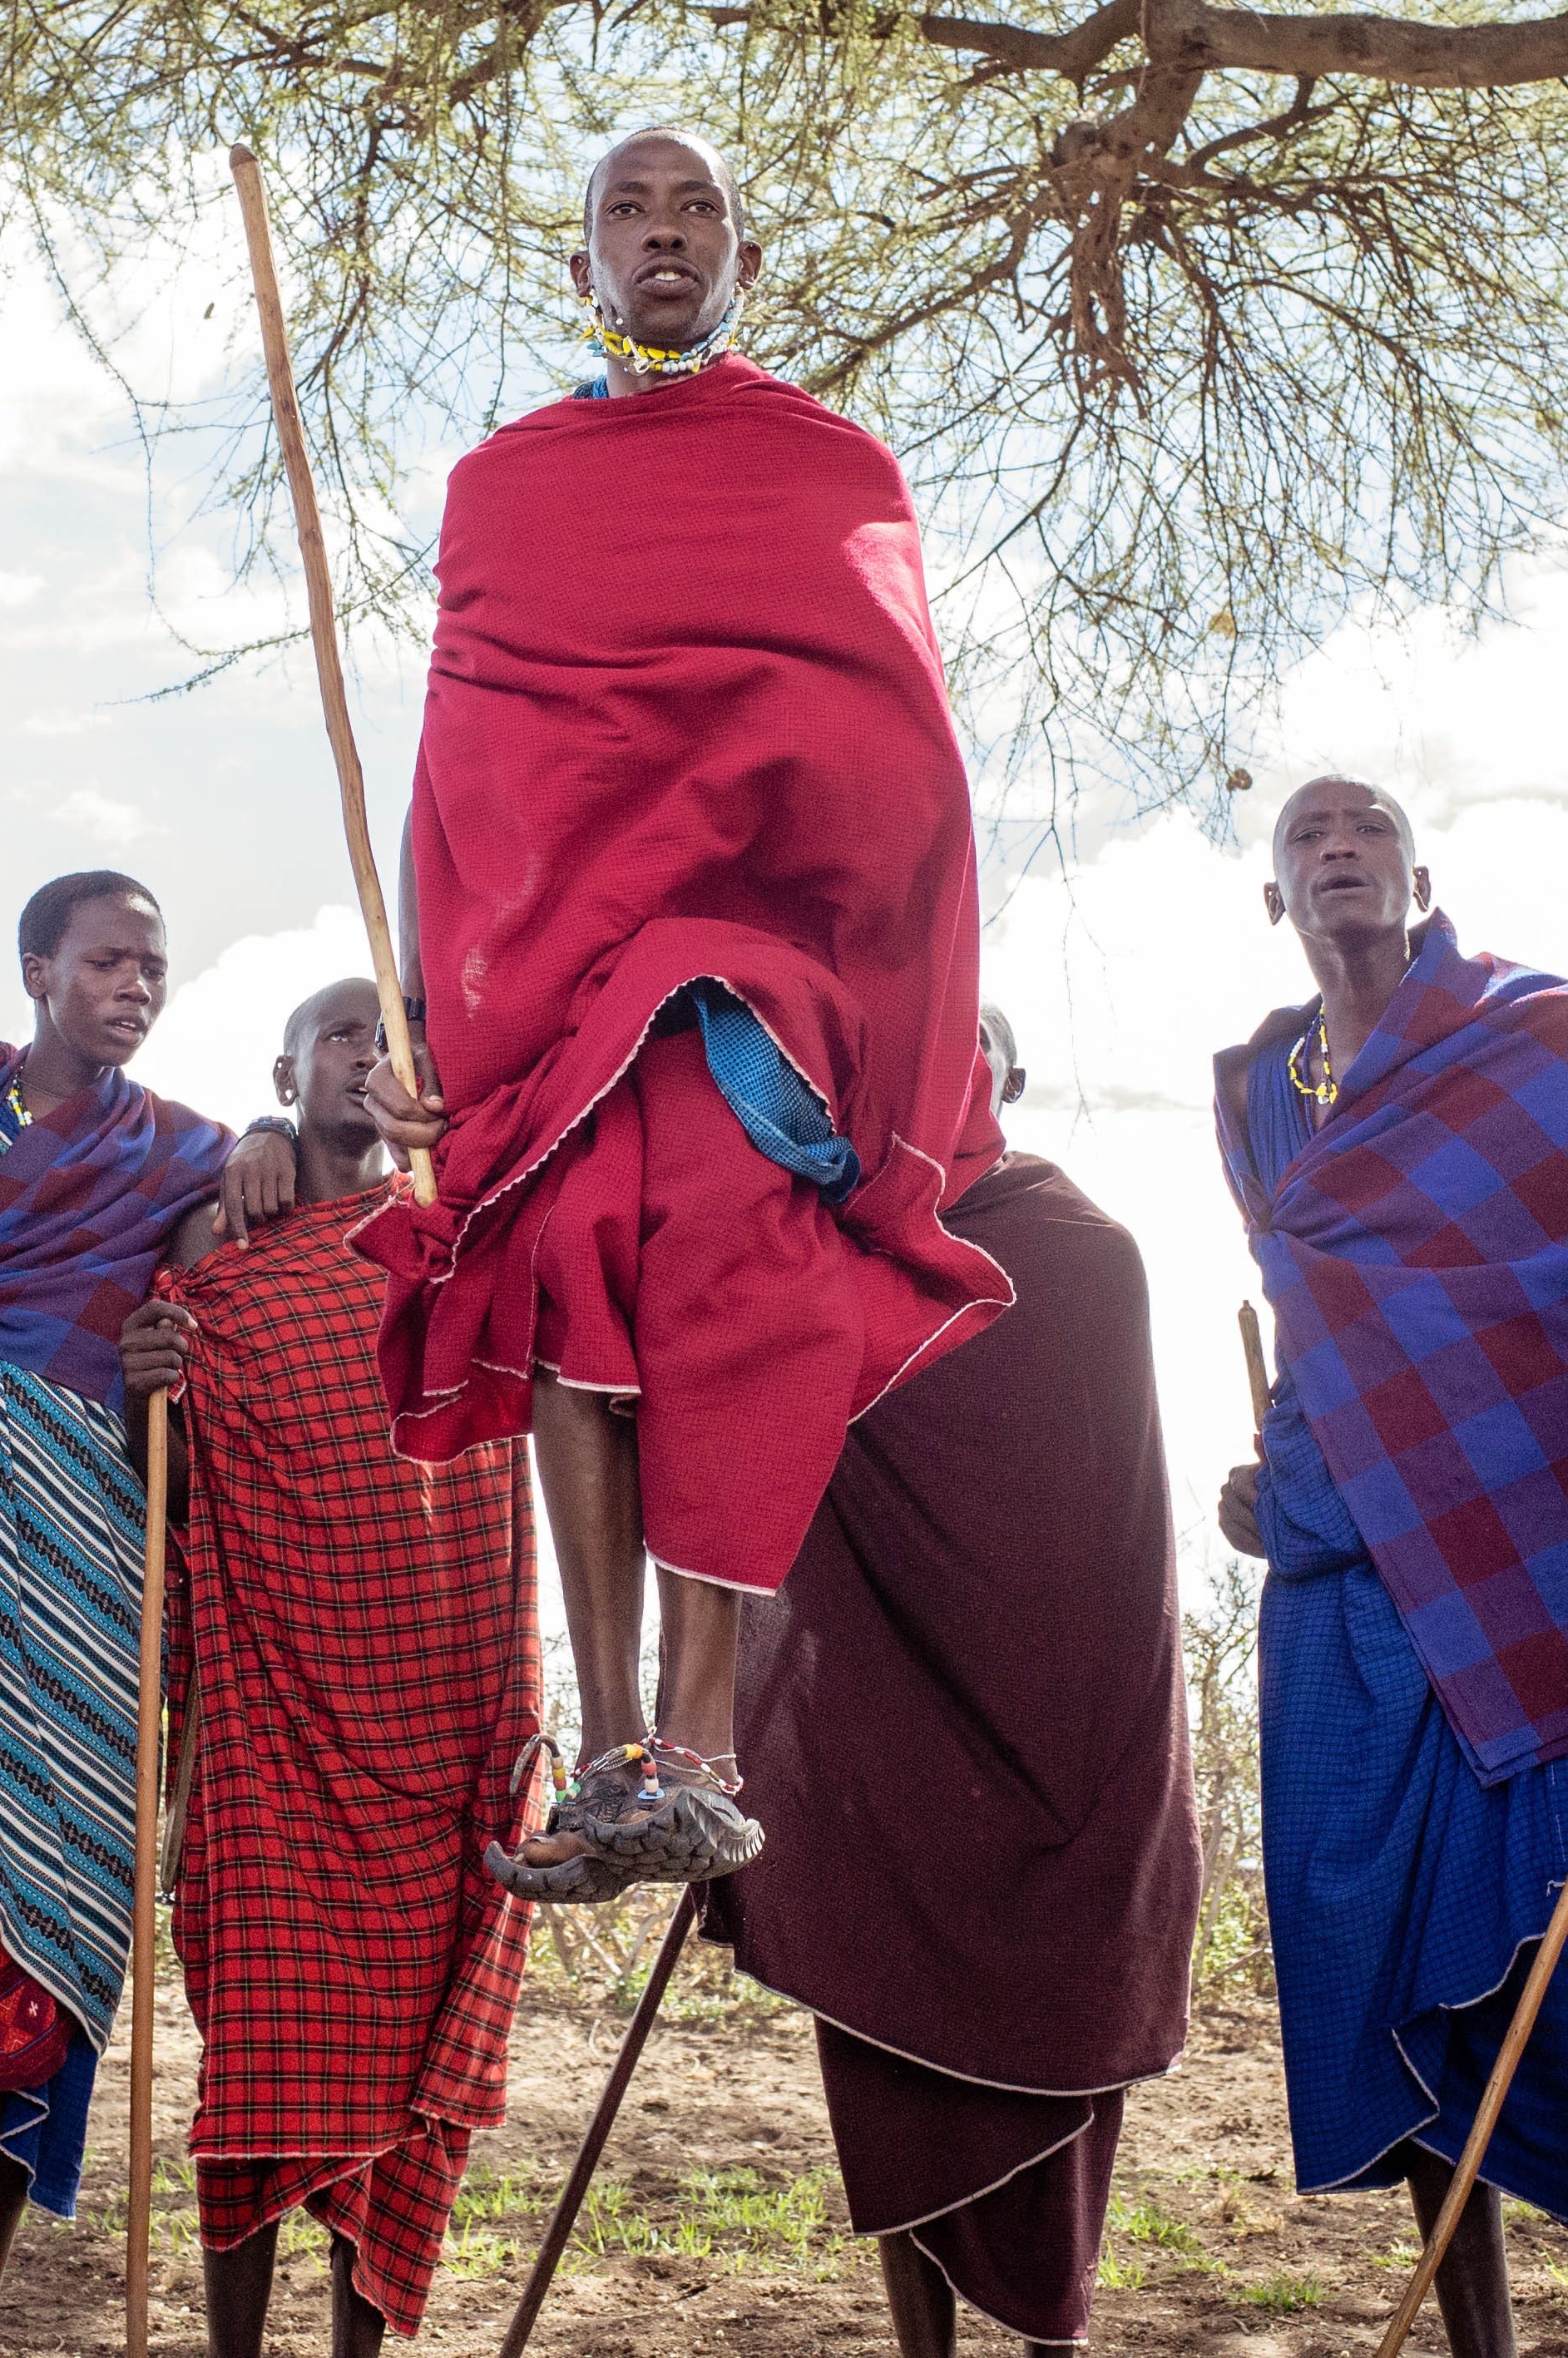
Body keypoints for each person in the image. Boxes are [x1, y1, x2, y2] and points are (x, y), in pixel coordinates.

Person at [360, 126, 1008, 1901]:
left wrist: (890, 973)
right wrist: (436, 1016)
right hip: (565, 983)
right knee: (566, 1259)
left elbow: (895, 757)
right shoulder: (505, 486)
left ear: (743, 259)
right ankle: (603, 1749)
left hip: (757, 979)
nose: (665, 233)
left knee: (730, 1271)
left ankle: (697, 1741)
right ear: (581, 268)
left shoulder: (828, 468)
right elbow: (470, 773)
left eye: (696, 209)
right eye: (629, 212)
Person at [1209, 781, 1568, 2358]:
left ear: (1426, 877)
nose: (1335, 849)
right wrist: (1280, 1468)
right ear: (1275, 896)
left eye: (1365, 829)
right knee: (1389, 1974)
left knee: (1562, 1982)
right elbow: (1330, 1329)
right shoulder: (1253, 1095)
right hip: (1341, 1585)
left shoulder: (1544, 1041)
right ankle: (1478, 2346)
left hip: (1524, 1577)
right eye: (1306, 838)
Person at [704, 1003, 1195, 2356]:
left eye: (971, 1044)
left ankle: (1048, 2341)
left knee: (1055, 2028)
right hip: (874, 1714)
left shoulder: (1087, 1256)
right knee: (877, 2026)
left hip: (1064, 1719)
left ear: (1011, 1081)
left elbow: (1097, 1518)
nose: (940, 1066)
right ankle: (921, 2340)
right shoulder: (820, 1251)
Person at [115, 976, 540, 2358]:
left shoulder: (461, 1220)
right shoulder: (220, 1251)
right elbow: (174, 1496)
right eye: (339, 1035)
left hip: (451, 1703)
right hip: (281, 1724)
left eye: (388, 1035)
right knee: (262, 2066)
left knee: (410, 2075)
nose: (368, 1052)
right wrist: (148, 1384)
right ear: (285, 1069)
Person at [0, 871, 231, 2356]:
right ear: (34, 969)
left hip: (94, 1573)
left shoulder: (188, 1158)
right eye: (106, 961)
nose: (134, 987)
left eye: (153, 966)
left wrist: (163, 1383)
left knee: (49, 1952)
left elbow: (191, 1403)